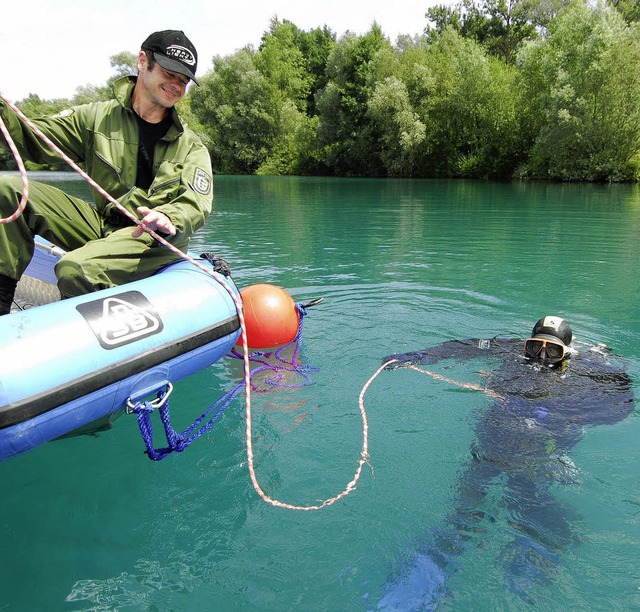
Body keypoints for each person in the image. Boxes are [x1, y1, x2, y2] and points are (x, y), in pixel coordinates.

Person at [378, 316, 635, 609]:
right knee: (467, 507)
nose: (540, 357)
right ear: (526, 343)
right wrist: (419, 356)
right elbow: (465, 347)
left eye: (552, 352)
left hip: (540, 450)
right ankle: (434, 566)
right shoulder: (511, 350)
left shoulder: (583, 370)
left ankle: (534, 553)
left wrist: (567, 409)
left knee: (525, 495)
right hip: (493, 441)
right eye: (534, 347)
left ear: (567, 353)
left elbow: (621, 403)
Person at [0, 30, 213, 315]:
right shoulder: (96, 118)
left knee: (74, 269)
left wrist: (169, 217)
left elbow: (195, 204)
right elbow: (32, 136)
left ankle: (80, 342)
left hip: (152, 242)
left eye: (183, 80)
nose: (176, 85)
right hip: (103, 226)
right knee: (7, 191)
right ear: (142, 61)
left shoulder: (191, 146)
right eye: (169, 72)